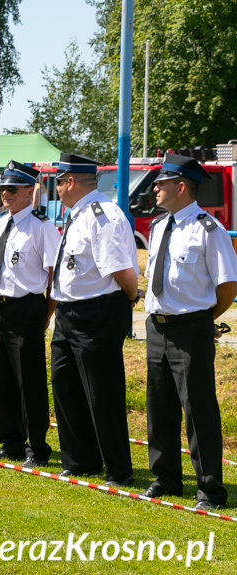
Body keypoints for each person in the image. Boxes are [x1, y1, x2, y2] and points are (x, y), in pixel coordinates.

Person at [142, 153, 237, 510]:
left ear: (181, 187)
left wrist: (203, 319)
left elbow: (227, 285)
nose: (155, 189)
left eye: (161, 184)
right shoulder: (158, 227)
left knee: (198, 411)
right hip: (157, 327)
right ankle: (166, 478)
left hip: (190, 328)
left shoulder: (207, 230)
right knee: (160, 407)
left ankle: (210, 489)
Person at [49, 152, 139, 487]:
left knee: (102, 393)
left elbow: (120, 270)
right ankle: (80, 461)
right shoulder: (78, 214)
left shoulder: (103, 215)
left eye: (58, 181)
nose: (56, 188)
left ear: (70, 181)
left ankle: (118, 469)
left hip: (97, 312)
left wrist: (132, 298)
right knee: (66, 387)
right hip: (69, 313)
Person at [0, 161, 60, 468]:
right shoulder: (1, 223)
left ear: (30, 191)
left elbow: (54, 277)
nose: (5, 194)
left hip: (25, 307)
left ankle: (36, 446)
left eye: (12, 189)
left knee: (29, 381)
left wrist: (46, 315)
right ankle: (10, 441)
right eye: (2, 189)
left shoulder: (42, 228)